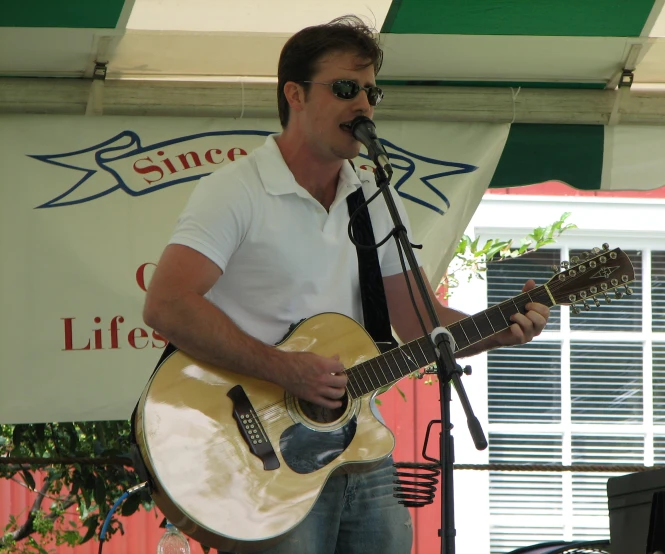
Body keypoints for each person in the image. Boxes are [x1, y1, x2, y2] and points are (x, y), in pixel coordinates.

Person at [142, 15, 549, 554]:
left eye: (370, 91)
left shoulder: (374, 197)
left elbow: (417, 322)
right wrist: (285, 368)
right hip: (263, 454)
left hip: (359, 444)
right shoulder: (236, 190)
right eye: (344, 88)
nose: (363, 105)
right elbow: (167, 305)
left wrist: (500, 329)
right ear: (295, 95)